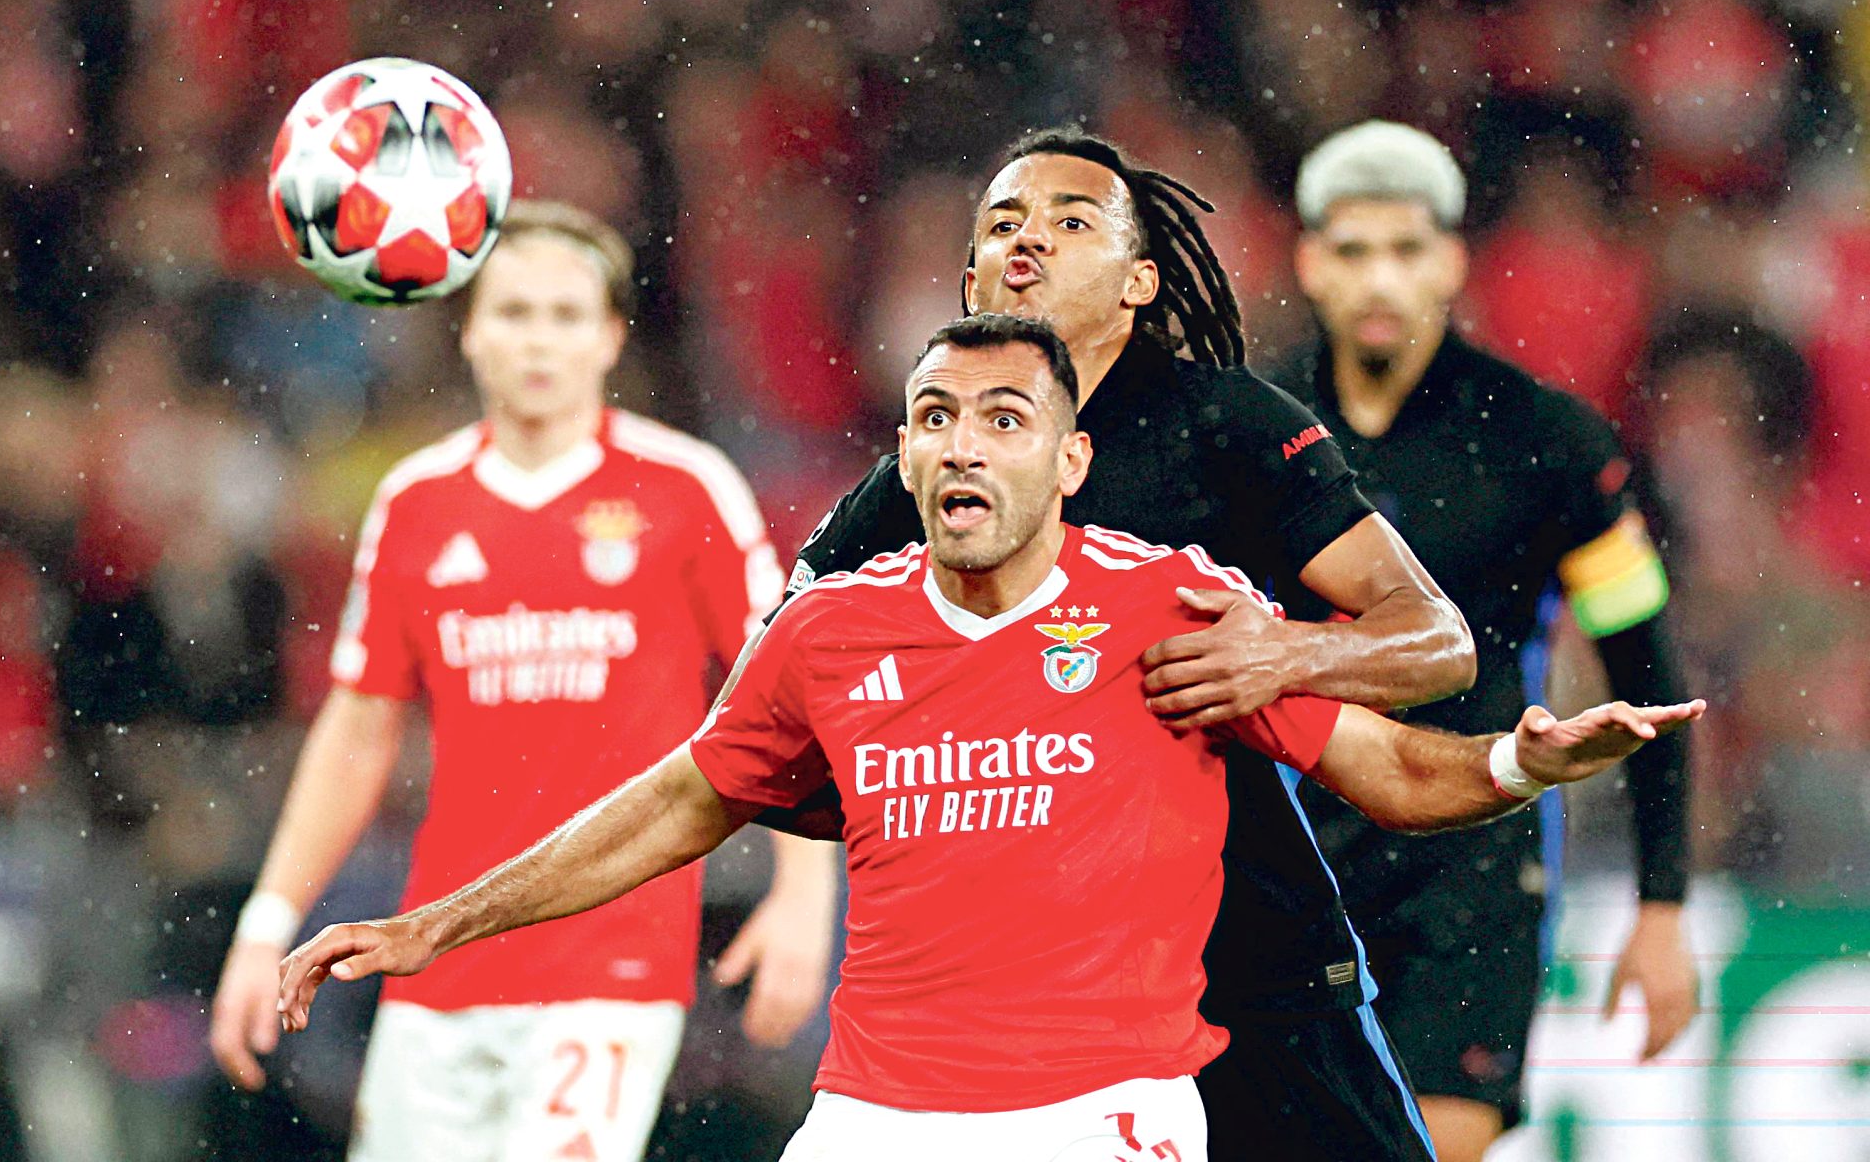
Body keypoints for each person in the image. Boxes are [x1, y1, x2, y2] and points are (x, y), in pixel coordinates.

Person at [272, 315, 1701, 1162]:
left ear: (1066, 461)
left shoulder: (1173, 605)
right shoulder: (829, 633)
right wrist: (433, 928)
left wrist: (1523, 760)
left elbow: (1388, 768)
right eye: (935, 418)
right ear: (904, 455)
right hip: (877, 1121)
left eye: (1003, 419)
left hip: (1102, 1117)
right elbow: (673, 804)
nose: (963, 444)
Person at [772, 128, 1474, 1160]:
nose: (1029, 240)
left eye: (1069, 221)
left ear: (1140, 278)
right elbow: (772, 721)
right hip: (1037, 1006)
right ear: (968, 281)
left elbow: (1435, 637)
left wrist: (1282, 653)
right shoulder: (918, 482)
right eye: (1003, 224)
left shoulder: (1227, 425)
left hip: (1258, 958)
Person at [206, 201, 839, 1162]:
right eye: (512, 312)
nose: (538, 339)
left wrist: (804, 894)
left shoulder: (684, 487)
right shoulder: (416, 502)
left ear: (611, 337)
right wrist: (267, 924)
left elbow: (783, 695)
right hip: (434, 949)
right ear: (467, 332)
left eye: (566, 314)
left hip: (612, 956)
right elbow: (358, 728)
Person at [1274, 121, 1697, 1162]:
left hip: (1473, 860)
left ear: (1455, 262)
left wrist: (1662, 906)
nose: (1383, 276)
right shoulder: (1245, 428)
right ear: (1311, 263)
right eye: (1356, 249)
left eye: (1409, 249)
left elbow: (1649, 672)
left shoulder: (1550, 443)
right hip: (1285, 857)